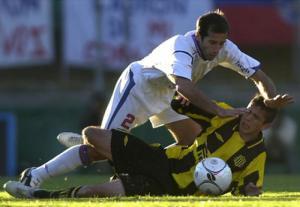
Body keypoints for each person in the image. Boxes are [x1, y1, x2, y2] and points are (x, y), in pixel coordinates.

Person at [57, 9, 293, 148]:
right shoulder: (180, 47)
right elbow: (185, 87)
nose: (217, 48)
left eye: (221, 42)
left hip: (169, 94)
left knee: (192, 143)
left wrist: (269, 100)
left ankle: (157, 168)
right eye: (212, 42)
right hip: (141, 88)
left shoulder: (226, 49)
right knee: (101, 149)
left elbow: (261, 78)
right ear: (198, 36)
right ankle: (36, 177)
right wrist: (217, 110)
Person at [4, 94, 277, 198]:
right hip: (160, 160)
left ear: (264, 126)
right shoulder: (227, 117)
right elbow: (183, 105)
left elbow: (248, 189)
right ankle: (102, 152)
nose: (248, 120)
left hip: (169, 189)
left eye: (256, 119)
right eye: (249, 113)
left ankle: (40, 196)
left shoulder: (256, 154)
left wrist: (252, 191)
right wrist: (192, 101)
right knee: (92, 133)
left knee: (93, 192)